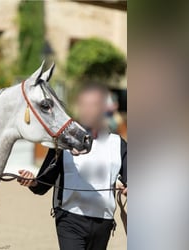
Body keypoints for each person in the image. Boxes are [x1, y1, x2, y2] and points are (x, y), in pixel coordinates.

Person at [17, 83, 127, 250]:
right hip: (69, 218)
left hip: (103, 222)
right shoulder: (62, 143)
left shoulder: (118, 144)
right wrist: (32, 180)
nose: (88, 110)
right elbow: (43, 181)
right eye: (85, 105)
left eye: (94, 105)